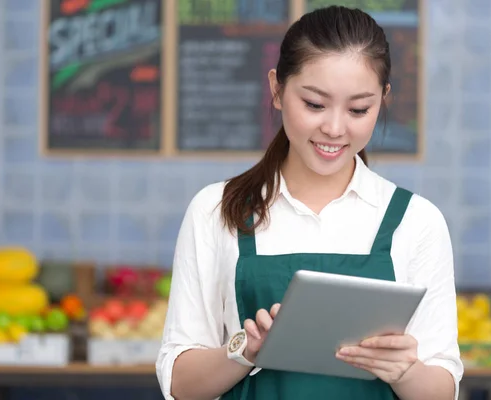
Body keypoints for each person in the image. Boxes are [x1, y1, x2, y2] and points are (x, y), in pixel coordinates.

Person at [156, 5, 463, 400]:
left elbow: (442, 390)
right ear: (277, 89)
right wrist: (246, 351)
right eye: (315, 104)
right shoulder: (216, 210)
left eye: (358, 109)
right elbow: (181, 384)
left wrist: (405, 371)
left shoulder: (417, 222)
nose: (334, 128)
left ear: (383, 99)